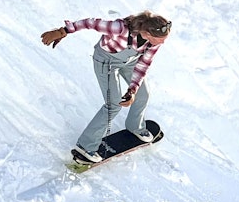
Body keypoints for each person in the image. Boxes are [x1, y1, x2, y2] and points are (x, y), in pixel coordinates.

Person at [40, 10, 172, 164]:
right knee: (114, 105)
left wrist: (132, 89)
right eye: (161, 39)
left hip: (129, 62)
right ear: (147, 32)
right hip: (106, 62)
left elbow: (143, 64)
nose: (163, 42)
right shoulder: (120, 28)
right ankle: (85, 146)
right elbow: (90, 23)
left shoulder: (154, 42)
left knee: (143, 94)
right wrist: (63, 31)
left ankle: (135, 126)